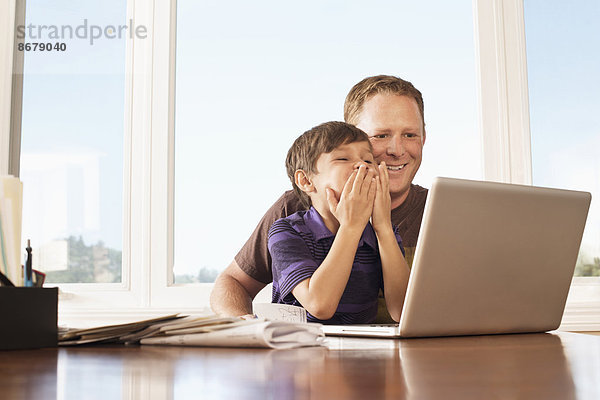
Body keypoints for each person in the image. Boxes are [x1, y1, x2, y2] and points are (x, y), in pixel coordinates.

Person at [210, 75, 428, 320]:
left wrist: (382, 228)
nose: (396, 150)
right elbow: (233, 282)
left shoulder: (434, 213)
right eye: (380, 136)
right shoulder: (292, 212)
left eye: (410, 135)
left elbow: (405, 310)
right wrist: (242, 325)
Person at [269, 122, 410, 323]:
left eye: (369, 161)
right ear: (306, 181)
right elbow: (319, 305)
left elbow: (404, 311)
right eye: (343, 158)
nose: (362, 166)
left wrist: (383, 227)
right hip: (297, 347)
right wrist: (351, 227)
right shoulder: (287, 232)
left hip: (358, 348)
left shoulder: (381, 234)